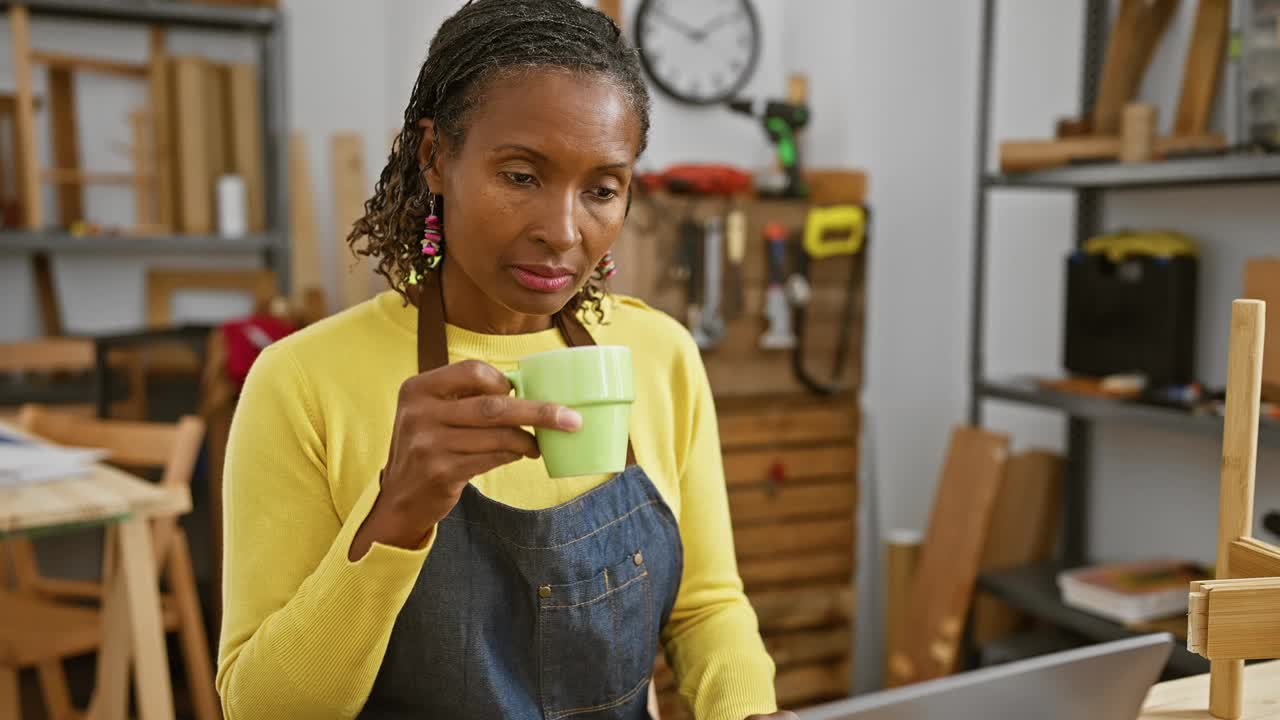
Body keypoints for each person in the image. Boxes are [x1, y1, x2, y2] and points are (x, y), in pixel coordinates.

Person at [217, 1, 797, 718]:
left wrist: (745, 711)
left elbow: (707, 609)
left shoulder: (660, 355)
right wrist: (393, 519)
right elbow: (263, 708)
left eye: (601, 190)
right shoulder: (301, 383)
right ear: (434, 156)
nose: (561, 231)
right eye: (521, 176)